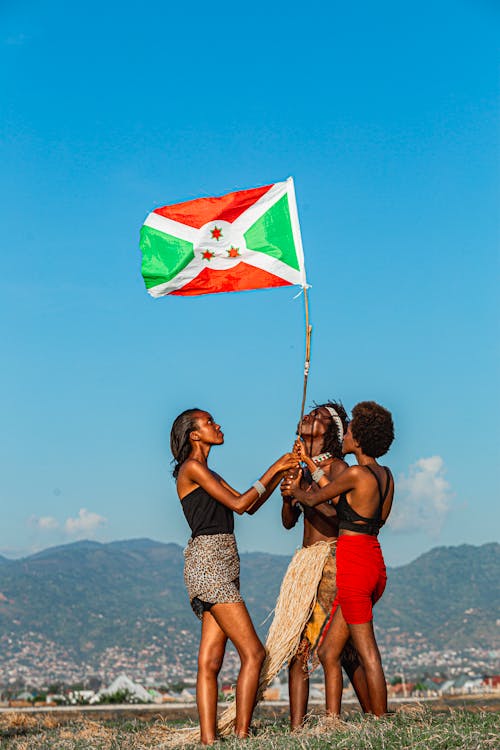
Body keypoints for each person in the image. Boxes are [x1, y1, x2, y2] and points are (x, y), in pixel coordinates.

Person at [170, 407, 298, 745]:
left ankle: (209, 741)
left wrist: (277, 479)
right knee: (254, 653)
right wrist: (276, 466)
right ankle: (242, 736)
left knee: (210, 661)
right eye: (209, 422)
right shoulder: (193, 468)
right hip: (209, 565)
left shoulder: (205, 470)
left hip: (222, 563)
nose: (218, 424)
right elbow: (240, 504)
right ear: (194, 435)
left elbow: (249, 505)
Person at [282, 400, 394, 717]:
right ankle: (345, 717)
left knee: (363, 651)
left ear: (355, 437)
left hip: (352, 564)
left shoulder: (353, 472)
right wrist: (304, 474)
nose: (345, 436)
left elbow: (321, 500)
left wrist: (298, 490)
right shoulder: (385, 476)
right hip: (373, 558)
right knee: (334, 651)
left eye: (350, 431)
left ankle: (379, 719)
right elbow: (363, 514)